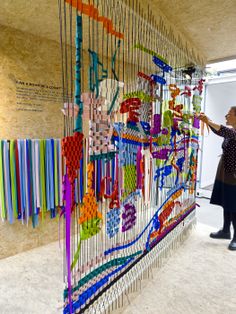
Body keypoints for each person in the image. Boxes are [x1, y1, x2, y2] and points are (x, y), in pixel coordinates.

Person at [198, 106, 236, 251]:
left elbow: (224, 130)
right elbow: (219, 131)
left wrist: (209, 121)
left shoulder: (232, 131)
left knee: (233, 206)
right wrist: (207, 121)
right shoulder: (230, 131)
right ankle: (226, 231)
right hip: (225, 171)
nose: (226, 116)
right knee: (227, 202)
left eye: (229, 114)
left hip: (233, 174)